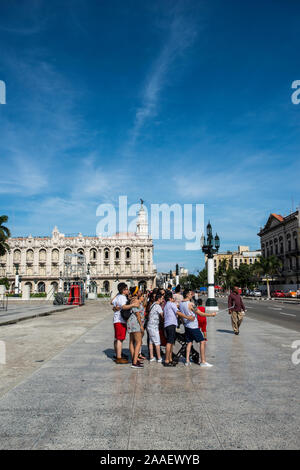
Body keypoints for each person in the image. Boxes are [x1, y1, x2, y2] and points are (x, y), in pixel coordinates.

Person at [180, 289, 215, 367]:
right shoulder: (191, 304)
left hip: (187, 326)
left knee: (189, 342)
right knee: (202, 342)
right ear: (187, 295)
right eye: (190, 293)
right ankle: (203, 361)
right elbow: (200, 314)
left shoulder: (181, 304)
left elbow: (180, 315)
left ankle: (187, 360)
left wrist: (184, 322)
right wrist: (211, 315)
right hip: (193, 326)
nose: (191, 294)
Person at [163, 291, 193, 367]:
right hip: (171, 325)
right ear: (170, 298)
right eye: (173, 298)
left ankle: (170, 359)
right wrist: (187, 317)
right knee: (169, 342)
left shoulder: (166, 305)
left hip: (167, 325)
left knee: (171, 342)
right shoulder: (171, 304)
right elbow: (178, 312)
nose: (174, 299)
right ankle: (166, 360)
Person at [112, 283, 139, 364]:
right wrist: (133, 305)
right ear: (123, 290)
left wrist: (115, 307)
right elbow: (124, 307)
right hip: (120, 320)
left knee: (117, 338)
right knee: (120, 339)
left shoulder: (118, 297)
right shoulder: (122, 297)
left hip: (117, 319)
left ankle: (117, 353)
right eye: (126, 289)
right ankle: (119, 358)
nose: (128, 290)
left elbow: (111, 302)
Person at [127, 286, 145, 369]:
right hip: (136, 322)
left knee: (131, 341)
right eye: (139, 291)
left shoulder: (131, 300)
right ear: (136, 292)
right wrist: (141, 325)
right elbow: (137, 314)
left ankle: (134, 359)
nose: (140, 292)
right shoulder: (136, 301)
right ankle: (134, 362)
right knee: (138, 342)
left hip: (131, 322)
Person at [147, 292, 164, 363]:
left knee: (151, 342)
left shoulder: (152, 304)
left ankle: (151, 357)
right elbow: (162, 315)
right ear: (159, 299)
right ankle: (159, 358)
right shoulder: (158, 306)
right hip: (154, 326)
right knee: (157, 342)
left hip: (149, 325)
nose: (162, 300)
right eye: (162, 299)